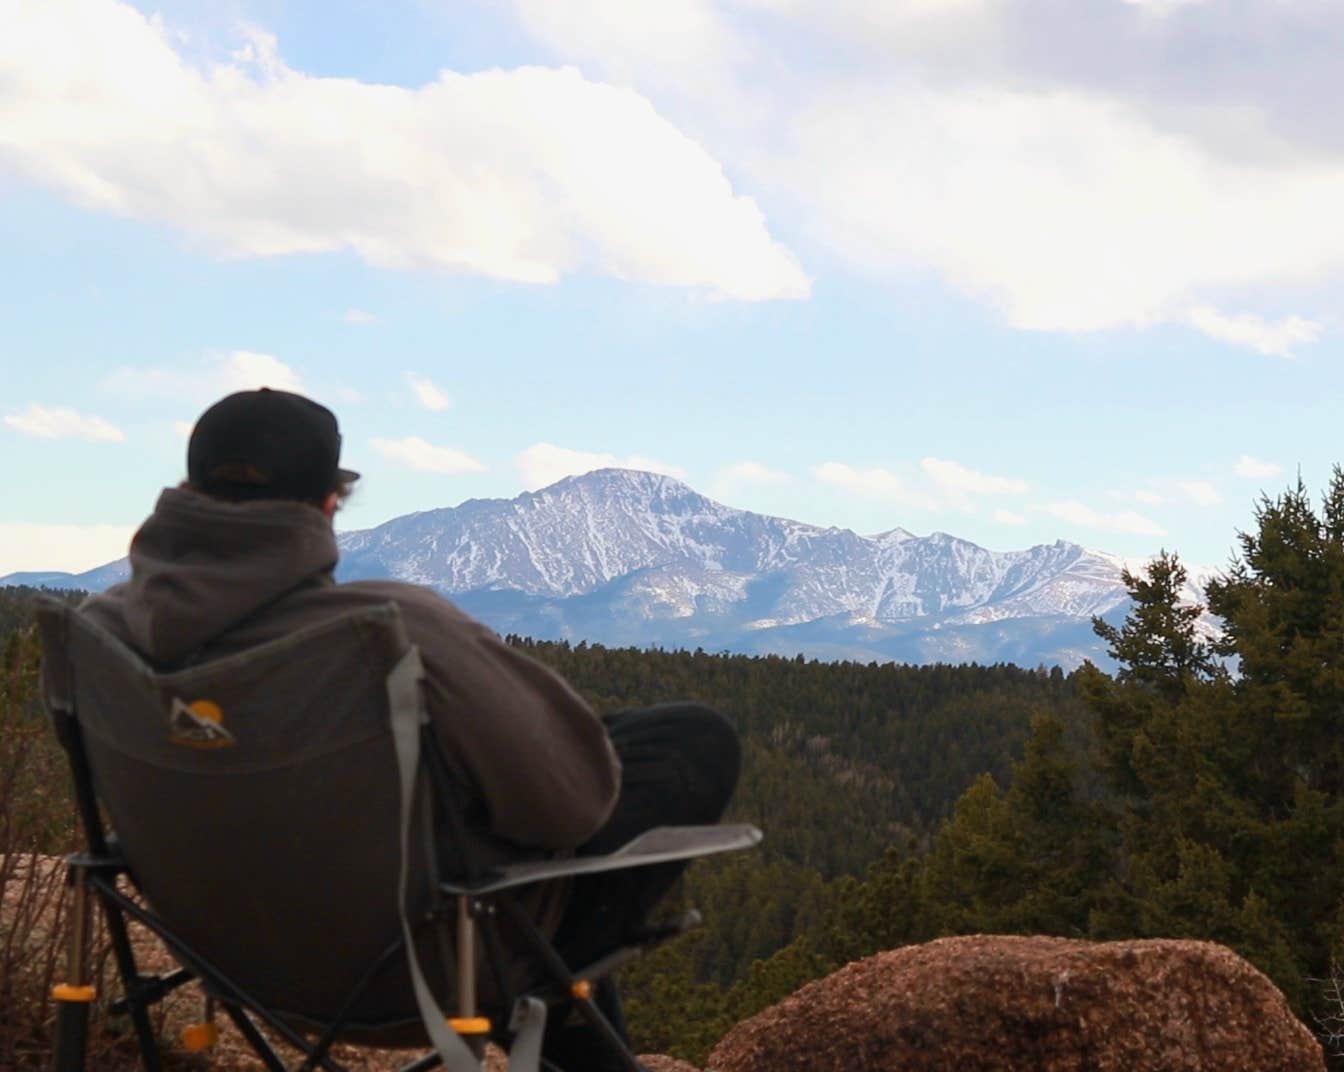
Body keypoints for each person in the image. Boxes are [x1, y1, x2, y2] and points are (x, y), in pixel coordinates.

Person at [78, 387, 741, 1071]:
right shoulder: (387, 629)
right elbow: (569, 807)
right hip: (412, 971)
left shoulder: (101, 634)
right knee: (689, 740)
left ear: (188, 491)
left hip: (224, 957)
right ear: (330, 502)